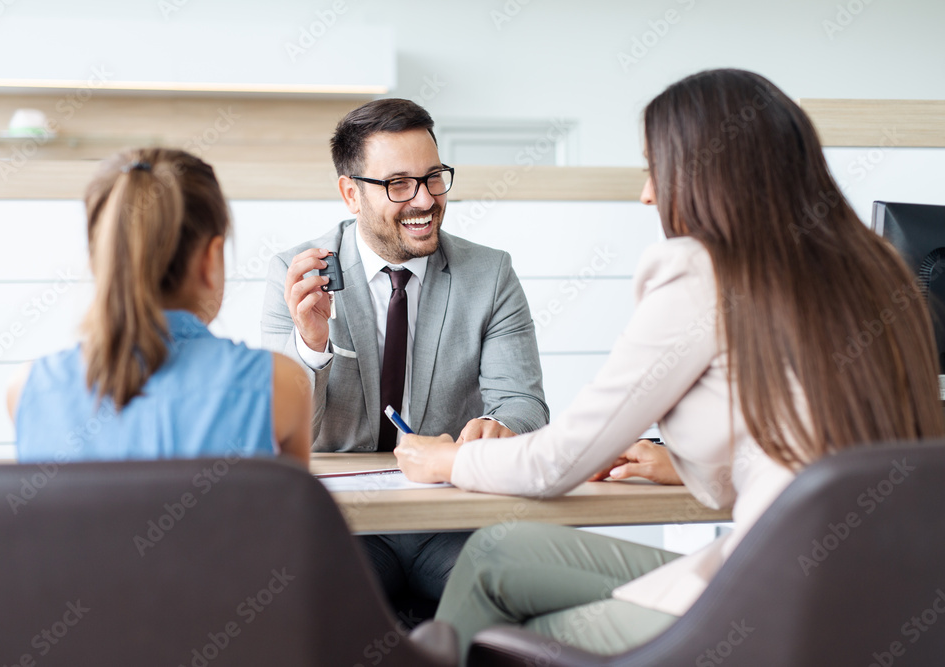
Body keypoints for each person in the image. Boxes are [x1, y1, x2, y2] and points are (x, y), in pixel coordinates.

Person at [395, 68, 945, 661]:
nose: (647, 194)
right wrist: (681, 466)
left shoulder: (699, 271)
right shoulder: (883, 271)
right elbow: (826, 451)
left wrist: (449, 458)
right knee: (492, 552)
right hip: (881, 601)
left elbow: (558, 461)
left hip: (769, 609)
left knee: (492, 638)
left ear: (706, 172)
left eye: (655, 169)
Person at [261, 99, 549, 608]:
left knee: (517, 602)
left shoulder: (491, 275)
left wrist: (500, 428)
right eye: (398, 184)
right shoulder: (298, 276)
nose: (424, 199)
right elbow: (285, 437)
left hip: (451, 520)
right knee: (312, 612)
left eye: (433, 177)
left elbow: (525, 406)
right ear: (351, 193)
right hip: (349, 527)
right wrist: (310, 345)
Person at [9, 148, 311, 467]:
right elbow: (294, 513)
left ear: (102, 256)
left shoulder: (25, 389)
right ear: (211, 259)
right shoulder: (281, 384)